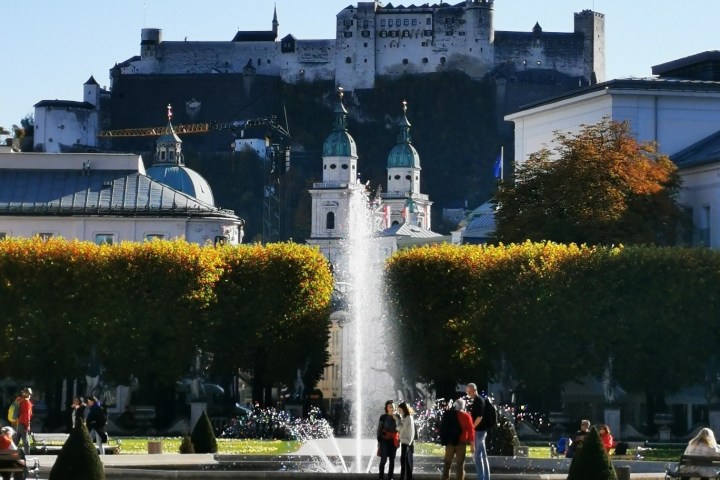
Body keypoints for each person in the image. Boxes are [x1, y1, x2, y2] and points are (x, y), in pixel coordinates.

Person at [440, 399, 474, 480]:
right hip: (461, 443)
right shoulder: (467, 416)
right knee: (460, 465)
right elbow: (471, 431)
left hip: (450, 443)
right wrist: (472, 446)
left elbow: (443, 428)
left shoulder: (449, 415)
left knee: (447, 463)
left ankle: (445, 478)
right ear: (463, 406)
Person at [466, 383, 490, 480]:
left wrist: (472, 427)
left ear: (473, 390)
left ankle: (481, 478)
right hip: (482, 431)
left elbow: (479, 417)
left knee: (478, 457)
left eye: (468, 391)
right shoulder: (481, 400)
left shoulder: (478, 400)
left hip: (479, 431)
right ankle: (486, 478)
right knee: (483, 456)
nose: (468, 393)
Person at [377, 400, 400, 480]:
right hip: (384, 440)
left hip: (393, 441)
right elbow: (379, 430)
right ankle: (381, 477)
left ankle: (390, 477)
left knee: (392, 460)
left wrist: (396, 419)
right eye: (390, 407)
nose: (391, 408)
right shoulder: (383, 417)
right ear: (386, 408)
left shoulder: (398, 416)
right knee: (383, 459)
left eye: (393, 407)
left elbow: (400, 429)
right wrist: (379, 442)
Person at [397, 402, 415, 480]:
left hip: (406, 440)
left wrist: (397, 420)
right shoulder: (407, 417)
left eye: (400, 410)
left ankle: (402, 476)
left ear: (404, 409)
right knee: (406, 460)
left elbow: (401, 428)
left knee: (403, 459)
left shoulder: (407, 417)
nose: (399, 412)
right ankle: (408, 476)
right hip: (406, 440)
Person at [12, 388, 32, 455]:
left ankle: (10, 453)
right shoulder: (27, 402)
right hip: (23, 423)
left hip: (19, 422)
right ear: (28, 394)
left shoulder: (20, 401)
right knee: (26, 442)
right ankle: (27, 456)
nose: (30, 395)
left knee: (16, 441)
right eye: (30, 394)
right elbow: (27, 415)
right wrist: (27, 425)